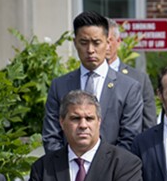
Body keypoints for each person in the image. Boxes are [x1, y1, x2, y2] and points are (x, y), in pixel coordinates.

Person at [42, 11, 143, 153]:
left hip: (111, 170)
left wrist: (102, 169)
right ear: (75, 43)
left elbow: (129, 139)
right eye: (84, 43)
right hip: (68, 171)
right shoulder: (59, 86)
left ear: (107, 44)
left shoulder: (128, 88)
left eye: (96, 43)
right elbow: (51, 137)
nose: (90, 50)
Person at [106, 17, 157, 130]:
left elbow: (149, 125)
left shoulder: (139, 79)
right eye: (100, 41)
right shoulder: (86, 77)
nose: (105, 46)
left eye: (109, 41)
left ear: (118, 42)